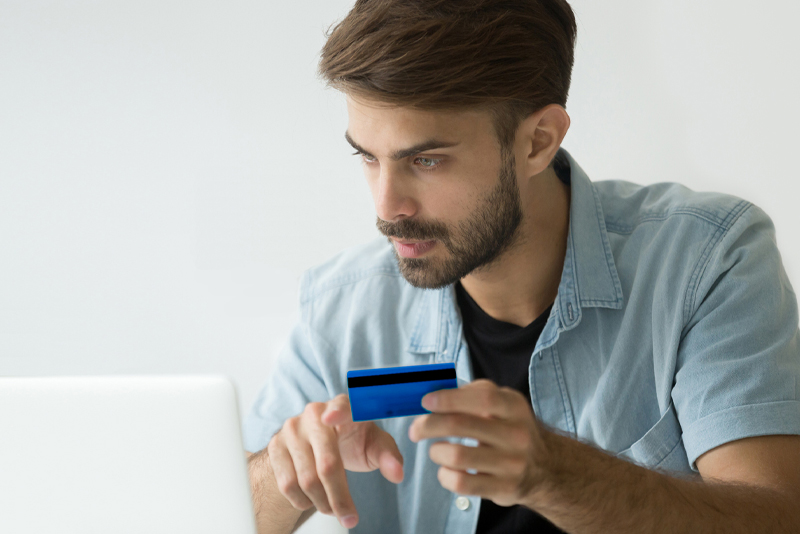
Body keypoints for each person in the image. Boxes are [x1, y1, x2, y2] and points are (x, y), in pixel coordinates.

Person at [244, 1, 800, 532]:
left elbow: (778, 518)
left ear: (538, 141)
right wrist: (281, 470)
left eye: (427, 160)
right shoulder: (341, 307)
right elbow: (213, 512)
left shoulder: (707, 263)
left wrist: (559, 476)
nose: (387, 208)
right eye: (367, 156)